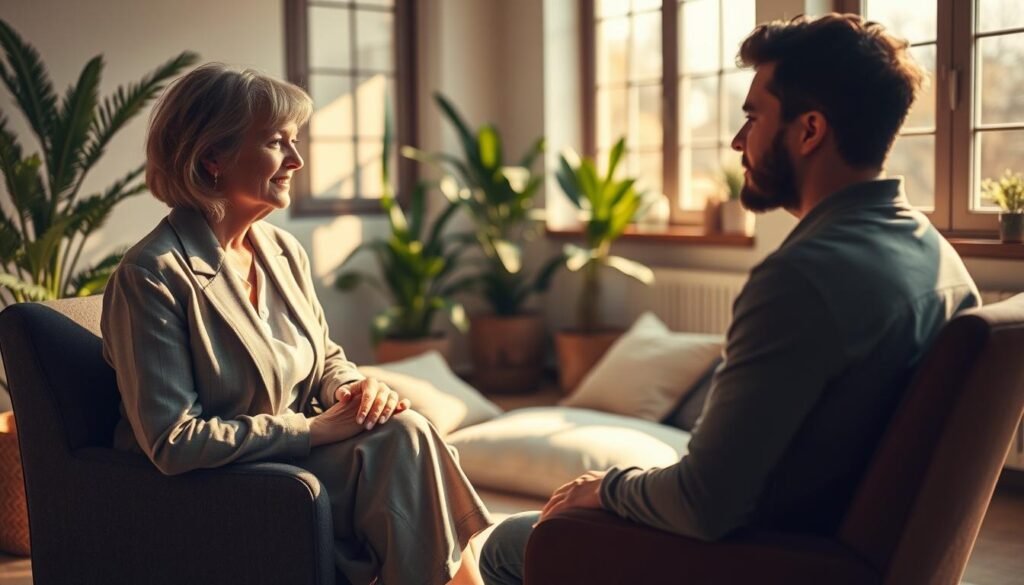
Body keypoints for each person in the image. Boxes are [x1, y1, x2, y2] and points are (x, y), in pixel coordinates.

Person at [479, 13, 981, 585]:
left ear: (809, 130)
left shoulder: (802, 279)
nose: (739, 141)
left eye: (752, 117)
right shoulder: (938, 257)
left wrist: (606, 487)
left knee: (514, 541)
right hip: (836, 542)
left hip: (773, 557)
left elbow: (703, 504)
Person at [101, 63, 491, 585]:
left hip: (297, 463)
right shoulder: (151, 276)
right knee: (405, 445)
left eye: (295, 141)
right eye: (276, 143)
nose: (297, 160)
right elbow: (175, 441)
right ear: (211, 156)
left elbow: (325, 356)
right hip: (227, 483)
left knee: (407, 428)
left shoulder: (282, 250)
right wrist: (311, 429)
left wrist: (354, 389)